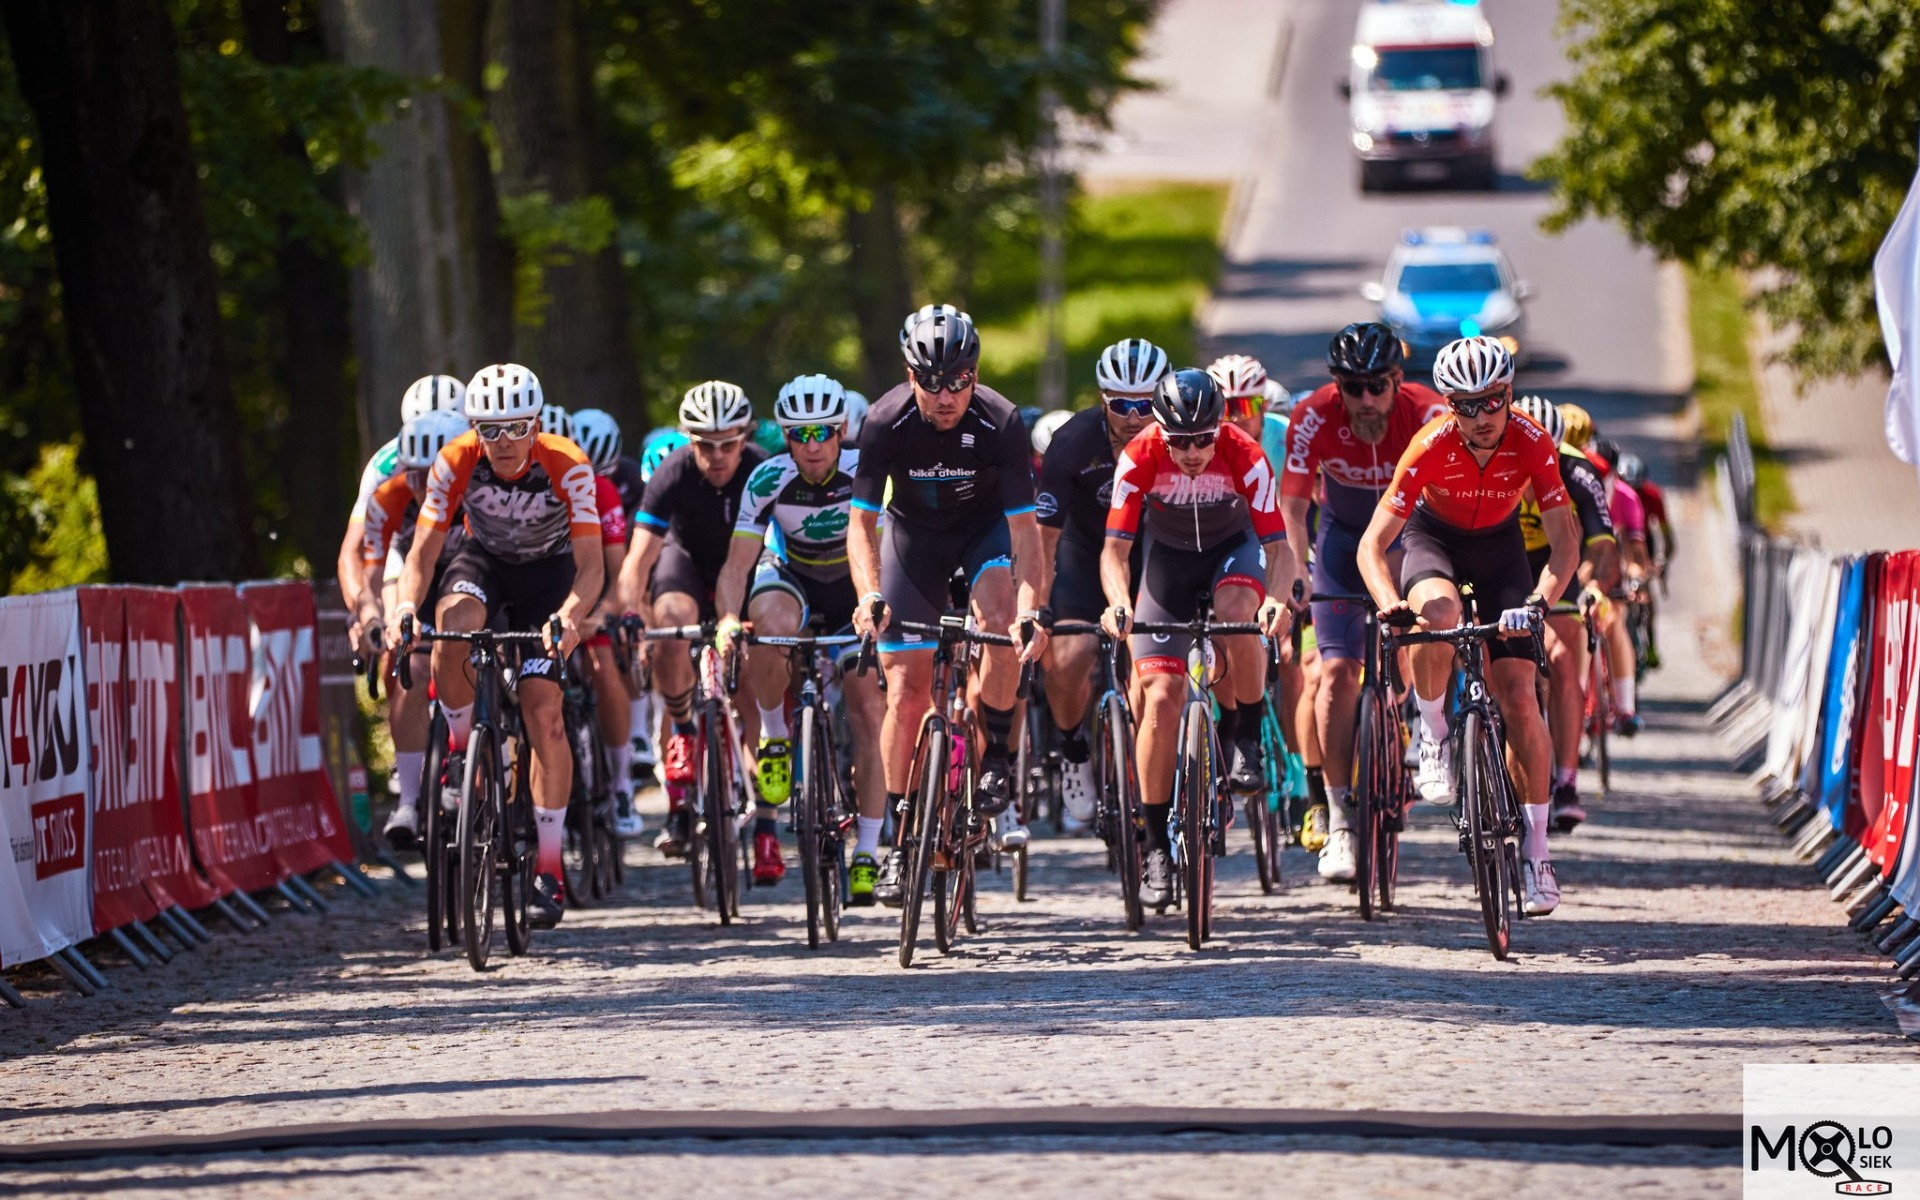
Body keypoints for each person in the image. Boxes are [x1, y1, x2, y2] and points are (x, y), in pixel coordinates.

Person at [1357, 336, 1580, 917]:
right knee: (1439, 613)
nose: (1482, 416)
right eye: (1466, 404)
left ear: (1510, 394)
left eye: (1494, 400)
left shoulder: (1532, 441)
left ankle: (1536, 850)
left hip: (1501, 551)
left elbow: (1565, 544)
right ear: (1449, 404)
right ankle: (1431, 732)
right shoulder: (1428, 444)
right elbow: (1372, 546)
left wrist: (1538, 602)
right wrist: (1387, 600)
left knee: (1520, 700)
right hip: (1434, 540)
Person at [391, 363, 605, 928]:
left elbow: (590, 567)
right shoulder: (454, 459)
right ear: (474, 430)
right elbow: (423, 554)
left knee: (544, 711)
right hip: (483, 563)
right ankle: (463, 753)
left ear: (536, 423)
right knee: (452, 626)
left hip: (549, 578)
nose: (504, 441)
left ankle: (550, 869)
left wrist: (569, 615)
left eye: (516, 427)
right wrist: (405, 608)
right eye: (490, 429)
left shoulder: (569, 464)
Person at [848, 309, 1050, 904]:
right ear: (910, 375)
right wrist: (868, 596)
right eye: (931, 381)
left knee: (999, 619)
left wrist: (1030, 609)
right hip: (914, 539)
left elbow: (1026, 535)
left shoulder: (1000, 420)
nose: (945, 395)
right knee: (906, 690)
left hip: (984, 534)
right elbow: (861, 525)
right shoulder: (885, 421)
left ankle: (998, 754)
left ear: (975, 373)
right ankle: (900, 836)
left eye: (958, 380)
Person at [1099, 368, 1295, 909]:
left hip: (1234, 550)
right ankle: (1156, 842)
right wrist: (1118, 602)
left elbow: (1279, 551)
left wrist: (1275, 599)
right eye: (1178, 441)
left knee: (1238, 612)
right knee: (1159, 697)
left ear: (1221, 425)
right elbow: (1115, 553)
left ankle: (1248, 737)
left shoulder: (1244, 453)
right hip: (1166, 567)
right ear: (1160, 431)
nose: (1190, 452)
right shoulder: (1138, 456)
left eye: (1201, 439)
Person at [1279, 323, 1448, 883]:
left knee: (1416, 641)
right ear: (1336, 386)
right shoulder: (1312, 415)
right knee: (1334, 674)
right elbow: (1294, 503)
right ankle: (1339, 816)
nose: (1367, 400)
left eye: (1378, 386)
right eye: (1354, 388)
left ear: (1399, 380)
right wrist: (1297, 573)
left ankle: (1411, 724)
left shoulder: (1428, 412)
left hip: (1413, 537)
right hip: (1343, 542)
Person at [713, 374, 886, 896]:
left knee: (868, 711)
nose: (812, 446)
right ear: (785, 438)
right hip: (793, 579)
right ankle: (772, 734)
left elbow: (882, 550)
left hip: (853, 583)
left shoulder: (867, 471)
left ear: (840, 432)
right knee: (767, 624)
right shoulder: (767, 479)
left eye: (822, 433)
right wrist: (725, 617)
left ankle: (869, 849)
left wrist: (874, 605)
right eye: (798, 434)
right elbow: (737, 563)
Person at [618, 382, 767, 857]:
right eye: (705, 444)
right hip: (685, 564)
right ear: (688, 439)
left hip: (744, 572)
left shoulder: (763, 469)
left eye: (728, 443)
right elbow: (638, 560)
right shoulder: (672, 471)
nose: (718, 455)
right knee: (669, 623)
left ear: (745, 437)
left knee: (753, 693)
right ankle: (682, 729)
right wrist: (630, 616)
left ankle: (766, 823)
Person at [1037, 337, 1168, 832]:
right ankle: (1073, 751)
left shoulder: (1182, 440)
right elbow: (1043, 539)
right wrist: (1036, 604)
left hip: (1154, 551)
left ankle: (1152, 774)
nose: (1135, 417)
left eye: (1146, 405)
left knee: (1151, 670)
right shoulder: (1072, 442)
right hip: (1084, 550)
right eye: (1121, 405)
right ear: (1101, 399)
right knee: (1069, 658)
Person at [359, 410, 470, 847]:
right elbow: (383, 572)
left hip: (474, 577)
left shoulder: (479, 496)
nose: (425, 487)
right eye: (416, 476)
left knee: (486, 655)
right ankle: (409, 798)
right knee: (407, 666)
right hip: (415, 579)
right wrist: (383, 617)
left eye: (435, 475)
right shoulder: (390, 496)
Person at [1511, 395, 1617, 834]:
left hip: (1559, 563)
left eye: (1547, 459)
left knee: (1561, 660)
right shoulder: (1494, 464)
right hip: (1506, 560)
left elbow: (1601, 544)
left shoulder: (1577, 471)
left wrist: (1591, 585)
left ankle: (1567, 781)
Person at [569, 408, 646, 838]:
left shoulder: (599, 490)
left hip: (591, 591)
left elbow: (619, 575)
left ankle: (620, 784)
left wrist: (599, 615)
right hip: (540, 593)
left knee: (602, 663)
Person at [1614, 451, 1668, 670]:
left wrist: (1662, 563)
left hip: (1645, 541)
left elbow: (1667, 536)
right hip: (1621, 538)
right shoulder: (1613, 494)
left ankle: (1652, 643)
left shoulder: (1653, 496)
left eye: (1637, 489)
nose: (1632, 494)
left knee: (1648, 598)